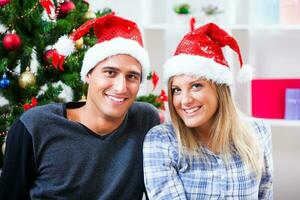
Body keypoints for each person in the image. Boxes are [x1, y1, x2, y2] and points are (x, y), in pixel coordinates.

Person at [0, 13, 160, 200]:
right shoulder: (34, 127)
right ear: (88, 75)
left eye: (132, 76)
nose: (121, 87)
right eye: (110, 72)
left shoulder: (146, 120)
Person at [143, 23, 273, 199]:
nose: (185, 100)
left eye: (196, 86)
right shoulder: (163, 140)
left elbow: (265, 193)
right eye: (177, 90)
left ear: (220, 89)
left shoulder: (258, 131)